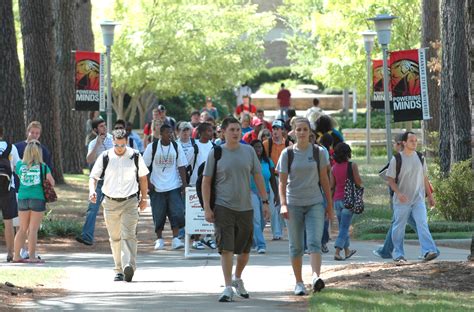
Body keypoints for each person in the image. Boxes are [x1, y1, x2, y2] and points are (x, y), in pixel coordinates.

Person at [202, 117, 270, 302]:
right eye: (232, 129)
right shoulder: (216, 152)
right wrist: (207, 208)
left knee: (245, 251)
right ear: (223, 132)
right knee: (227, 249)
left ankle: (237, 278)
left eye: (238, 129)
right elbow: (206, 181)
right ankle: (227, 287)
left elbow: (258, 176)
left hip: (245, 207)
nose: (236, 132)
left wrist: (265, 201)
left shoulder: (248, 151)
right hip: (223, 207)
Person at [276, 117, 333, 296]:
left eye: (305, 130)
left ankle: (316, 277)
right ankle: (299, 282)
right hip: (293, 204)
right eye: (298, 129)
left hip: (315, 202)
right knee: (296, 246)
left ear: (310, 133)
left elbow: (325, 180)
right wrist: (283, 204)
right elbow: (282, 182)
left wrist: (329, 206)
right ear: (293, 132)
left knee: (315, 242)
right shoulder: (287, 154)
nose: (302, 133)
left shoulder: (319, 152)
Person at [89, 129, 149, 282]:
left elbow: (143, 178)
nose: (120, 149)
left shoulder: (135, 155)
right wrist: (92, 191)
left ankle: (128, 265)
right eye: (117, 145)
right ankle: (118, 269)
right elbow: (93, 177)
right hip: (110, 202)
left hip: (130, 201)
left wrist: (143, 198)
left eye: (122, 145)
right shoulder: (106, 156)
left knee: (129, 235)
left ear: (126, 142)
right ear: (113, 142)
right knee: (115, 237)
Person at [386, 131, 438, 263]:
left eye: (416, 140)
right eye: (411, 141)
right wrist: (398, 193)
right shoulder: (397, 159)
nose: (415, 143)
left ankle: (428, 251)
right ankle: (398, 254)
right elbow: (390, 180)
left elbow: (424, 178)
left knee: (422, 223)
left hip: (418, 199)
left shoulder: (420, 157)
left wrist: (430, 196)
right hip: (402, 200)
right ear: (404, 143)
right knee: (399, 227)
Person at [143, 124, 188, 250]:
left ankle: (175, 239)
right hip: (156, 187)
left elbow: (181, 166)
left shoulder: (176, 146)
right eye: (167, 133)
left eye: (171, 133)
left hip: (173, 185)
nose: (170, 135)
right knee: (158, 214)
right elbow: (143, 166)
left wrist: (184, 185)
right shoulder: (152, 147)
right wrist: (148, 183)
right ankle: (159, 239)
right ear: (161, 134)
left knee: (177, 212)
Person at [13, 140, 55, 263]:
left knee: (22, 229)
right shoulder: (43, 167)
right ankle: (31, 257)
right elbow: (52, 182)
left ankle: (16, 256)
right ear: (38, 153)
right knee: (33, 229)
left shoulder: (20, 165)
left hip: (22, 198)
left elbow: (20, 177)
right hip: (37, 198)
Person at [76, 119, 113, 246]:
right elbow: (89, 160)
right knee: (92, 208)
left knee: (116, 208)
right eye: (101, 126)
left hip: (113, 180)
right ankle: (87, 236)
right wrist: (97, 144)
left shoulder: (113, 139)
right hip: (99, 180)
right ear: (95, 130)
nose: (104, 128)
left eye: (105, 125)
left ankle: (120, 237)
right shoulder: (93, 143)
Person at [330, 143, 361, 261]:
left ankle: (347, 251)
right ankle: (337, 252)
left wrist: (330, 202)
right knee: (344, 227)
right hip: (348, 200)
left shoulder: (334, 168)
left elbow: (332, 186)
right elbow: (358, 181)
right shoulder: (352, 165)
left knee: (343, 226)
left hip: (337, 200)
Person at [262, 119, 291, 240]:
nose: (275, 131)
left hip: (286, 178)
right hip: (273, 178)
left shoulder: (289, 145)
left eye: (277, 129)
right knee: (274, 205)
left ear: (282, 131)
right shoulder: (266, 144)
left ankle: (291, 233)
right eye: (273, 129)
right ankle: (277, 233)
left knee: (287, 205)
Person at [249, 139, 278, 254]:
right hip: (251, 192)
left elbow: (272, 180)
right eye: (256, 147)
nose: (258, 149)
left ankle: (253, 240)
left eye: (260, 147)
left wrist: (276, 194)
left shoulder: (268, 161)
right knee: (256, 219)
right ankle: (261, 244)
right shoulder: (249, 161)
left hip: (265, 193)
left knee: (264, 219)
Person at [0, 126, 20, 262]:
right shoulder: (10, 147)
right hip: (8, 188)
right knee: (8, 222)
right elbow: (18, 167)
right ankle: (10, 253)